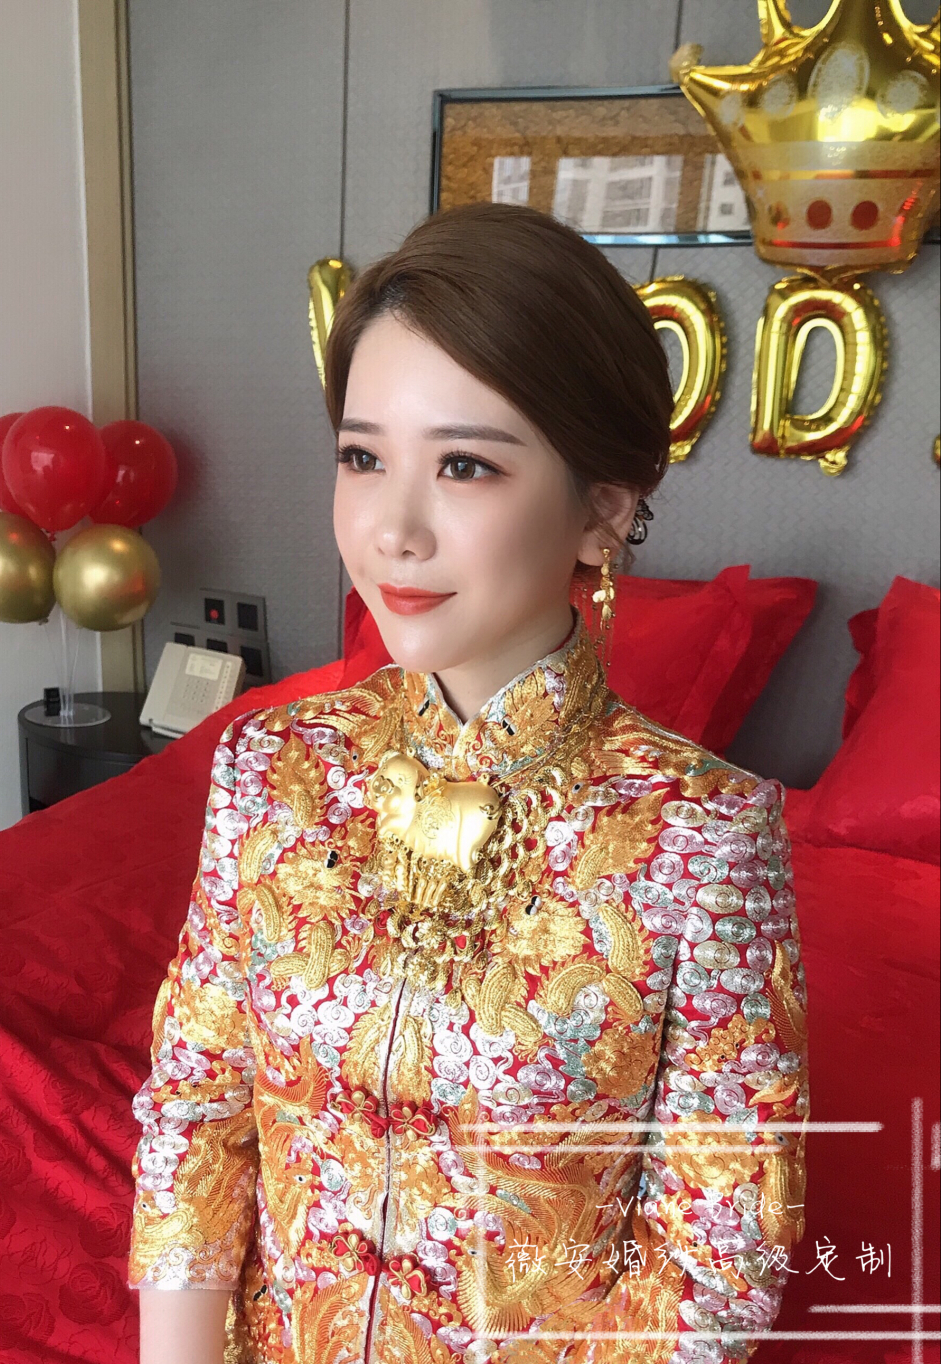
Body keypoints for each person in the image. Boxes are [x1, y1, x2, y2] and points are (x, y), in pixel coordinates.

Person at [128, 202, 808, 1364]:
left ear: (603, 508)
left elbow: (716, 1265)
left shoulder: (701, 837)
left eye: (463, 464)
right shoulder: (269, 766)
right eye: (361, 456)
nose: (391, 528)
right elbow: (196, 1111)